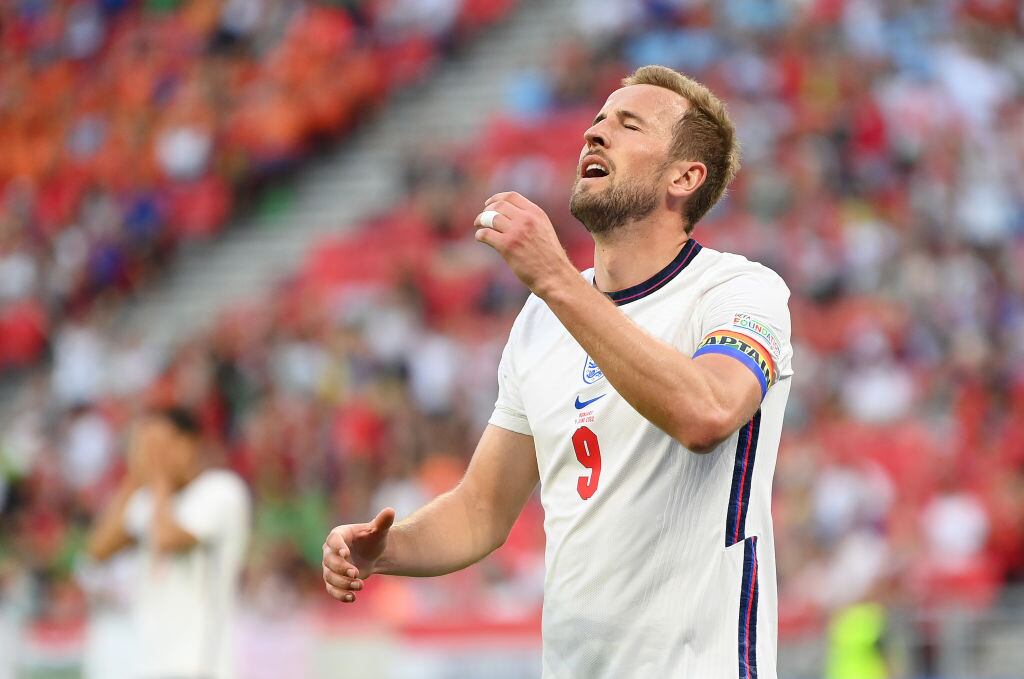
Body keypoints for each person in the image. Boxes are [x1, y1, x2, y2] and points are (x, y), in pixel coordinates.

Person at [323, 64, 793, 679]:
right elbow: (481, 510)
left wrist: (555, 278)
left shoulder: (738, 291)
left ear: (685, 176)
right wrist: (388, 549)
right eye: (597, 120)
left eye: (628, 124)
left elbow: (705, 412)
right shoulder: (541, 320)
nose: (594, 135)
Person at [87, 408, 251, 679]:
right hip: (149, 664)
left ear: (190, 443)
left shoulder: (221, 491)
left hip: (200, 664)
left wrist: (159, 474)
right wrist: (135, 475)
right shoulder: (150, 501)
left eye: (161, 444)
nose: (153, 455)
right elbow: (99, 549)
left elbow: (166, 539)